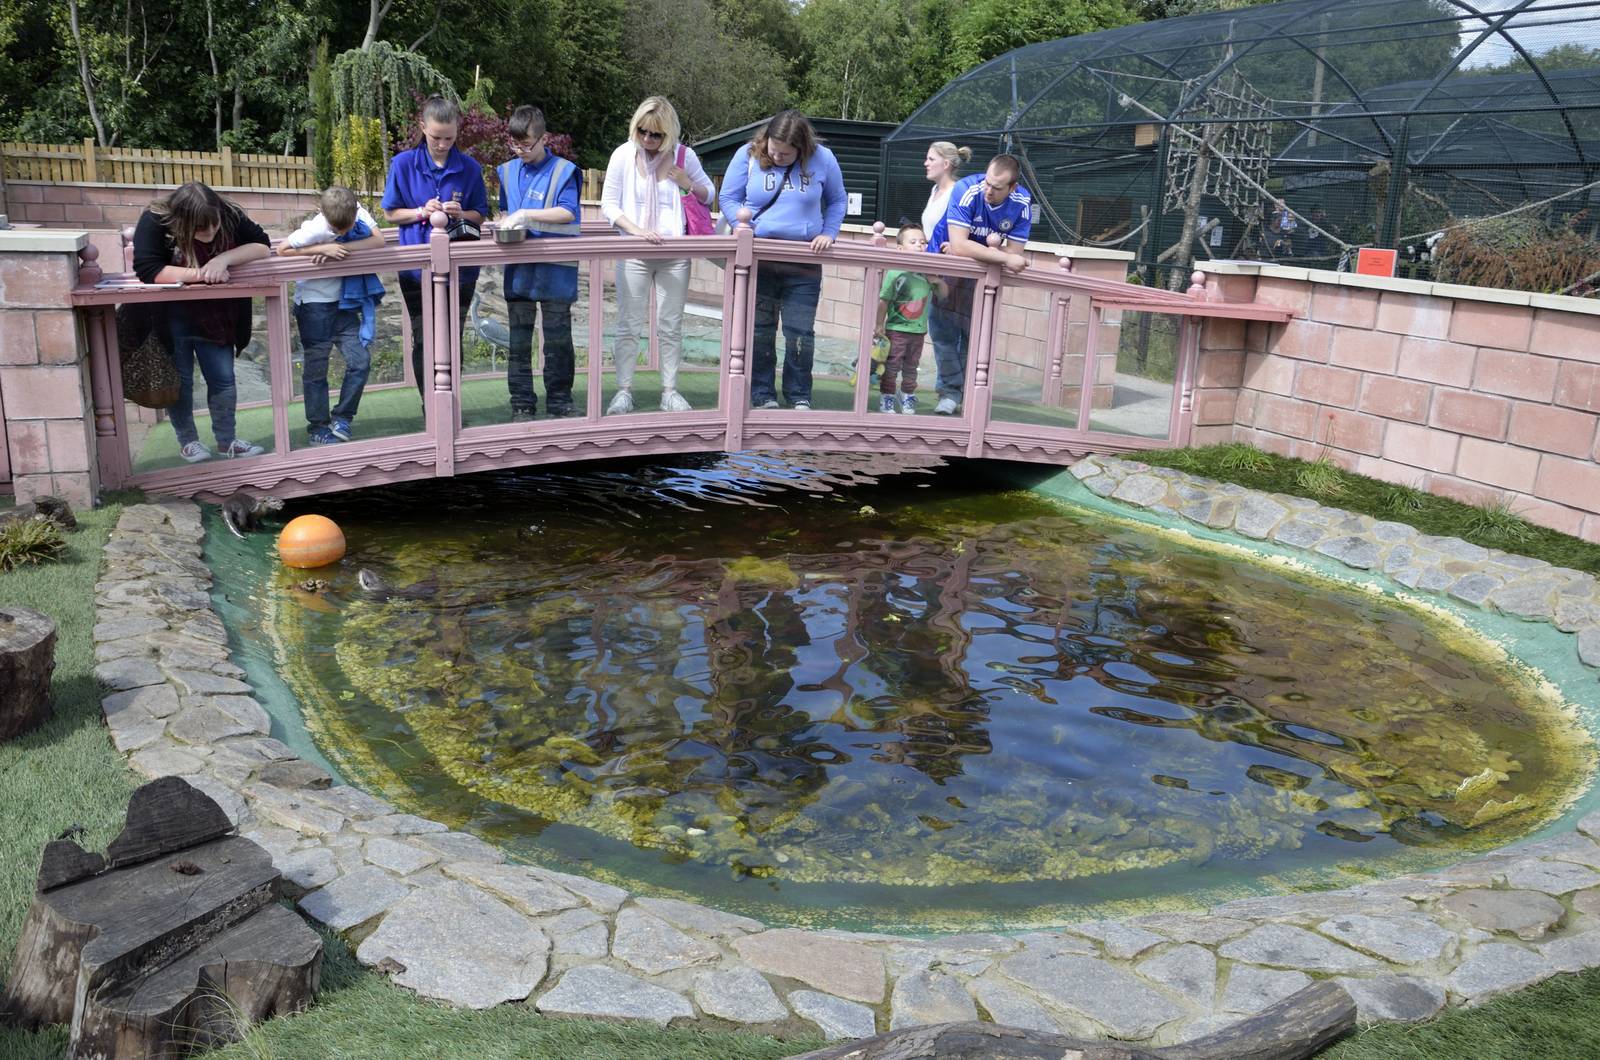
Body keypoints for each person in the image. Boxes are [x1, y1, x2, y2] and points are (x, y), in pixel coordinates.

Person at [131, 181, 270, 462]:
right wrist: (203, 274)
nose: (209, 233)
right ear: (181, 221)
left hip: (219, 316)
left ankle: (226, 441)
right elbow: (147, 269)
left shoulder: (229, 213)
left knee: (223, 379)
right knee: (180, 383)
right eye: (199, 228)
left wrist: (224, 259)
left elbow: (262, 245)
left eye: (214, 226)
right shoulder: (155, 219)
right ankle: (189, 442)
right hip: (171, 317)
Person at [718, 110, 846, 410]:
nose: (777, 156)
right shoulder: (748, 155)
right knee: (760, 328)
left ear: (802, 148)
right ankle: (762, 393)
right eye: (774, 149)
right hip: (758, 258)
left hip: (803, 262)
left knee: (800, 332)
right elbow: (728, 198)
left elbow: (838, 199)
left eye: (786, 153)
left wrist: (829, 233)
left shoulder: (824, 158)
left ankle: (799, 394)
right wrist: (740, 226)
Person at [600, 96, 715, 415]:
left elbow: (709, 194)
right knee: (628, 324)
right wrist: (636, 231)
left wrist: (687, 183)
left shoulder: (683, 156)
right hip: (634, 251)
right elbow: (609, 204)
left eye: (656, 134)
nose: (648, 139)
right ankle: (624, 391)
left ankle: (670, 391)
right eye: (643, 131)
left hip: (674, 253)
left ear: (669, 134)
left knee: (670, 324)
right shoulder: (623, 155)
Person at [381, 95, 488, 413]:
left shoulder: (470, 168)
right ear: (423, 128)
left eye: (449, 138)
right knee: (424, 338)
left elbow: (480, 214)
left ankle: (451, 407)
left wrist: (461, 213)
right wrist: (420, 212)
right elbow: (390, 213)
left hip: (461, 271)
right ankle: (431, 407)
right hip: (416, 271)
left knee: (453, 338)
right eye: (436, 137)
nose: (442, 145)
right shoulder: (403, 164)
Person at [277, 186, 386, 446]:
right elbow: (282, 250)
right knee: (316, 369)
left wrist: (342, 245)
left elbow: (378, 241)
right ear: (324, 215)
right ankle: (318, 427)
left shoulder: (358, 212)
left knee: (360, 361)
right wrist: (322, 249)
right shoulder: (315, 229)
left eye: (348, 227)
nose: (344, 232)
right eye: (338, 229)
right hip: (314, 306)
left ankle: (342, 417)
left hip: (344, 305)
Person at [926, 153, 1032, 415]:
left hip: (981, 273)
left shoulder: (1022, 202)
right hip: (943, 265)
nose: (989, 191)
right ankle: (950, 392)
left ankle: (963, 393)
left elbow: (1015, 252)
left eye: (997, 187)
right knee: (943, 333)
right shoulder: (966, 189)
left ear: (1012, 187)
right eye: (987, 182)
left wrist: (973, 250)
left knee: (971, 335)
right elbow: (960, 245)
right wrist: (1002, 256)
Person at [497, 104, 582, 419]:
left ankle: (560, 401)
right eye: (515, 144)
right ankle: (521, 402)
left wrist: (526, 214)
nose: (520, 151)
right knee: (519, 341)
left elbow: (567, 211)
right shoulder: (507, 171)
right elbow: (504, 211)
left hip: (556, 271)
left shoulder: (563, 171)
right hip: (519, 270)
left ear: (543, 138)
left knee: (557, 341)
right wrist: (506, 221)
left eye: (526, 144)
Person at [872, 223, 944, 415]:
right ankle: (887, 397)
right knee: (892, 366)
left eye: (923, 242)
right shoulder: (896, 272)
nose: (919, 245)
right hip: (896, 330)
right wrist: (879, 324)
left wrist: (937, 281)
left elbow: (943, 294)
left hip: (918, 332)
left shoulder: (928, 273)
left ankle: (907, 395)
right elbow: (884, 301)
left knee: (912, 366)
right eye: (913, 242)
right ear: (900, 248)